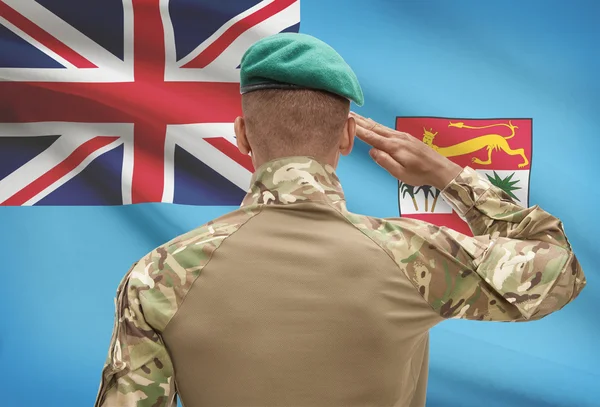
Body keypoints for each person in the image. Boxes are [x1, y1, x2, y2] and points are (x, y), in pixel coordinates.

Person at [94, 33, 586, 407]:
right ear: (349, 136)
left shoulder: (158, 274)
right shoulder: (417, 256)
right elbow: (560, 269)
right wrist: (448, 174)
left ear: (242, 135)